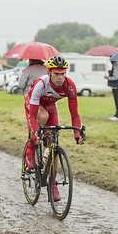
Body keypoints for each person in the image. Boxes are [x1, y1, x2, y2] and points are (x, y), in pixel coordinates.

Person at [24, 55, 85, 201]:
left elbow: (75, 115)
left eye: (63, 73)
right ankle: (31, 150)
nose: (60, 77)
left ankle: (53, 183)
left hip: (51, 107)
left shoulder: (70, 86)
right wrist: (36, 132)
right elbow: (32, 116)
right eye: (56, 73)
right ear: (49, 72)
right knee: (42, 117)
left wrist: (77, 134)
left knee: (54, 143)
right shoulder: (41, 84)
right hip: (35, 105)